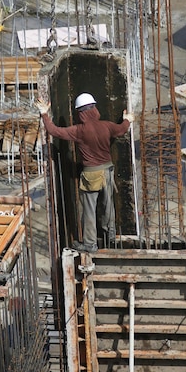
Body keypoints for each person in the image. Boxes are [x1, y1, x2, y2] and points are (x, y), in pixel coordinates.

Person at [36, 92, 134, 253]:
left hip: (91, 175)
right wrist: (127, 119)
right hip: (108, 171)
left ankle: (90, 244)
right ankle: (110, 236)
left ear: (80, 113)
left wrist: (44, 113)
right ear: (94, 109)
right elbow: (121, 130)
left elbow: (54, 131)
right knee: (108, 206)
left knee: (89, 210)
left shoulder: (79, 130)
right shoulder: (106, 126)